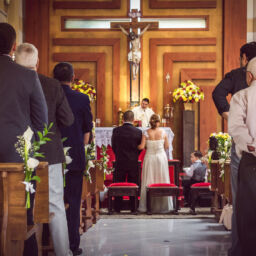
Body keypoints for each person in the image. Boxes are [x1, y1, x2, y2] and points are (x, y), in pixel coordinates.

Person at [15, 43, 74, 256]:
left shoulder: (9, 83)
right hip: (49, 153)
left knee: (17, 206)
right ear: (37, 63)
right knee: (55, 205)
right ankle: (62, 252)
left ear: (15, 60)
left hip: (16, 155)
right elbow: (67, 119)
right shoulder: (51, 85)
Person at [0, 23, 48, 256]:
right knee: (23, 214)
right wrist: (32, 150)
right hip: (18, 154)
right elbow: (41, 120)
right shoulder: (27, 75)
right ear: (13, 46)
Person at [212, 42, 256, 256]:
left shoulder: (239, 75)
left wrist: (226, 113)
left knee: (241, 200)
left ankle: (240, 249)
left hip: (244, 149)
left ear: (245, 58)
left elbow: (217, 93)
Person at [53, 62, 93, 256]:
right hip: (75, 156)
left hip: (49, 156)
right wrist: (81, 148)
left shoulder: (47, 95)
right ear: (73, 77)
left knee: (49, 199)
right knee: (73, 200)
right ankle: (72, 245)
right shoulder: (82, 98)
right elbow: (87, 129)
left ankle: (48, 239)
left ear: (53, 78)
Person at [228, 56, 256, 256]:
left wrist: (253, 146)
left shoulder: (242, 96)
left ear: (249, 76)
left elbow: (236, 128)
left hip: (251, 160)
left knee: (248, 212)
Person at [138, 114, 173, 213]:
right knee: (161, 178)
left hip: (149, 158)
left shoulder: (146, 133)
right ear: (158, 122)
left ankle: (149, 205)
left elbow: (141, 147)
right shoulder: (163, 132)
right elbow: (166, 146)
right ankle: (162, 205)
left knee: (149, 180)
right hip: (161, 158)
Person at [111, 110, 142, 212]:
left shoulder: (116, 131)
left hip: (120, 161)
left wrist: (119, 155)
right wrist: (134, 156)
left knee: (118, 183)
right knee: (133, 183)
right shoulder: (138, 132)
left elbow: (114, 146)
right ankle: (133, 207)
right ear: (133, 120)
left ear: (122, 119)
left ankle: (117, 207)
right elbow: (139, 148)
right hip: (133, 162)